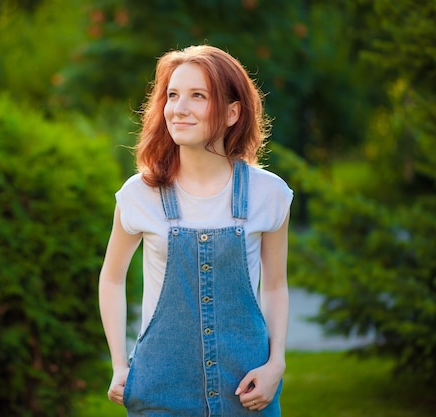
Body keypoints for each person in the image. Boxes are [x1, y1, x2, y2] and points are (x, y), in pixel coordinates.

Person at [98, 45, 293, 416]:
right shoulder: (139, 195)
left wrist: (276, 364)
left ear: (233, 112)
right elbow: (111, 277)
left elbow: (275, 285)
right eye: (172, 95)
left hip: (248, 388)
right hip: (159, 391)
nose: (179, 108)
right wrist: (120, 364)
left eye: (198, 96)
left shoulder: (269, 195)